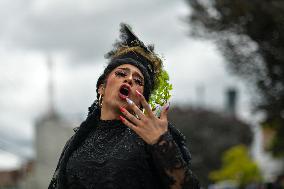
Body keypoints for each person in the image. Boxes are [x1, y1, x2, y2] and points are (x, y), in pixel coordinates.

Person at [48, 23, 200, 189]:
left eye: (138, 81)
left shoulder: (150, 134)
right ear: (102, 88)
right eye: (121, 73)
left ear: (143, 99)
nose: (129, 80)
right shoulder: (77, 142)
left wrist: (161, 143)